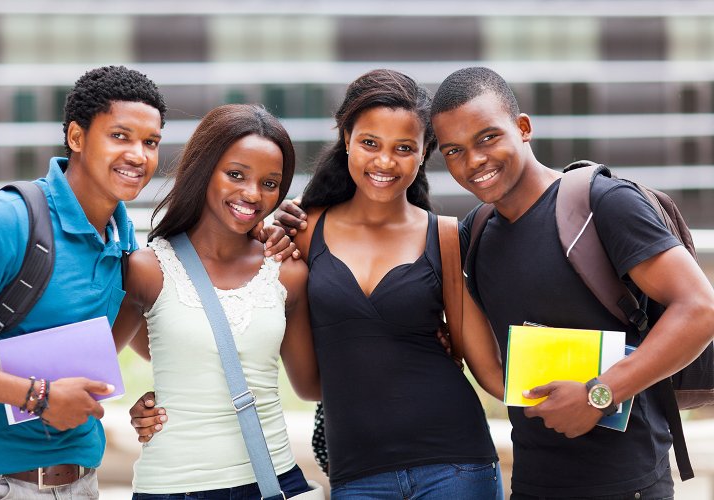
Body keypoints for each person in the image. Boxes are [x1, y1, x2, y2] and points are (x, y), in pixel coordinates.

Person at [137, 69, 506, 499]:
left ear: (425, 152)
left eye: (404, 148)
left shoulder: (446, 238)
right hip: (358, 473)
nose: (385, 162)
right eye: (370, 143)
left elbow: (489, 371)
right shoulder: (300, 231)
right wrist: (169, 398)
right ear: (347, 138)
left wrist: (571, 390)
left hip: (457, 462)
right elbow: (212, 322)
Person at [427, 66, 714, 498]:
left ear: (523, 128)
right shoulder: (477, 234)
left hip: (629, 485)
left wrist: (599, 394)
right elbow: (496, 367)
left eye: (487, 137)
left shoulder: (603, 203)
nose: (474, 161)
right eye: (454, 150)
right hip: (533, 484)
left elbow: (700, 309)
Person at [0, 65, 166, 498]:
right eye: (120, 136)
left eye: (151, 142)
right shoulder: (6, 221)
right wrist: (37, 396)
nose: (138, 156)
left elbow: (141, 342)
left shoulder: (123, 239)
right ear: (77, 137)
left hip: (81, 483)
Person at [112, 103, 320, 499]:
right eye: (236, 174)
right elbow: (94, 368)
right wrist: (151, 405)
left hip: (274, 480)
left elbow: (311, 386)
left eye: (270, 183)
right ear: (204, 169)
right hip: (173, 488)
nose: (252, 194)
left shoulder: (288, 270)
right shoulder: (147, 269)